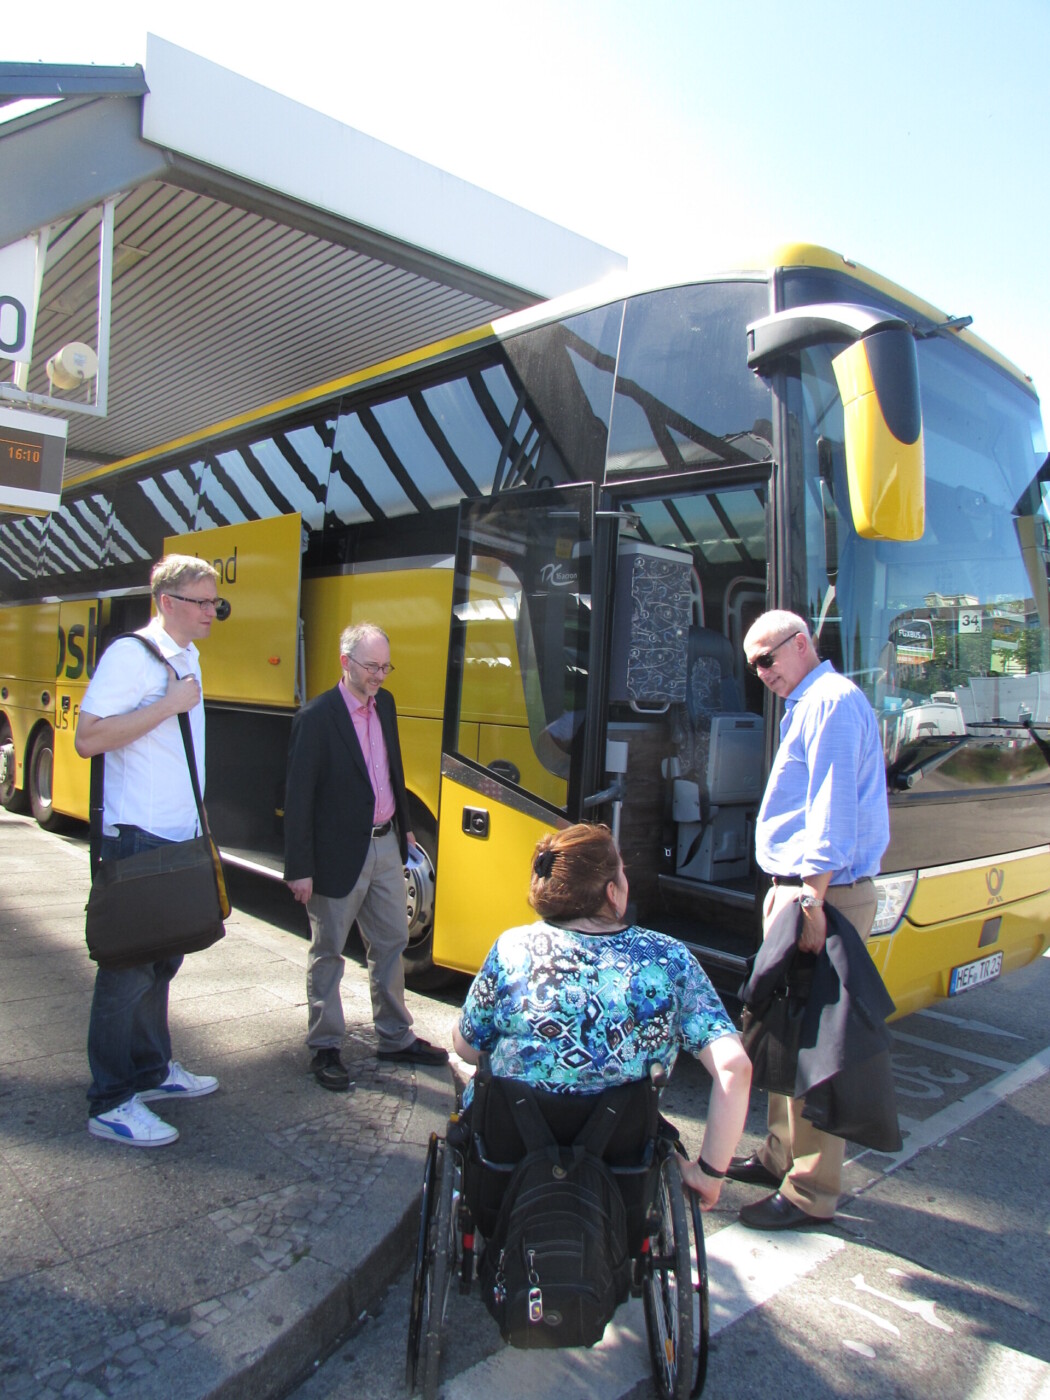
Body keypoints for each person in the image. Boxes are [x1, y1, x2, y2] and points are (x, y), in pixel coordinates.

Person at [452, 823, 752, 1209]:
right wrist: (708, 1175)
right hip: (622, 1168)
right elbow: (735, 1069)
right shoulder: (668, 959)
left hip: (508, 1160)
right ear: (612, 893)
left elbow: (466, 1046)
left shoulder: (511, 948)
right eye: (622, 873)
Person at [728, 609, 890, 1229]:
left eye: (766, 659)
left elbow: (830, 811)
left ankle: (809, 1192)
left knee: (814, 1046)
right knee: (783, 1029)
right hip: (801, 891)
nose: (761, 673)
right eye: (753, 666)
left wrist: (812, 900)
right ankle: (779, 1155)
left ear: (801, 645)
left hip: (820, 893)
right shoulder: (812, 701)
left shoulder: (828, 702)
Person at [76, 555, 227, 1148]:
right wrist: (168, 705)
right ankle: (110, 1100)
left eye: (216, 601)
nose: (213, 610)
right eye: (203, 601)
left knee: (163, 959)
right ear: (167, 602)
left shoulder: (185, 657)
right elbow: (89, 737)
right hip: (138, 835)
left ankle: (152, 1069)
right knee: (126, 970)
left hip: (178, 832)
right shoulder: (131, 656)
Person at [283, 622, 447, 1090]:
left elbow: (391, 768)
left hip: (385, 843)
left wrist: (407, 830)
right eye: (371, 666)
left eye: (385, 666)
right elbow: (298, 799)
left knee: (393, 942)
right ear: (345, 662)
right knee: (328, 951)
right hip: (336, 854)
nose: (379, 676)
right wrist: (300, 869)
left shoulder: (386, 705)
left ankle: (395, 1038)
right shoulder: (316, 718)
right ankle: (326, 1047)